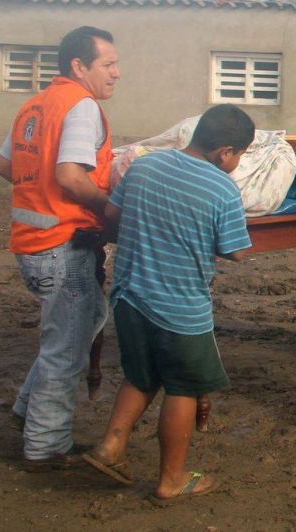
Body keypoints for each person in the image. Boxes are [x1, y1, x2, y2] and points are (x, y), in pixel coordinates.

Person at [82, 105, 254, 502]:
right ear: (224, 152)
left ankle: (110, 447)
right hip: (180, 307)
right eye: (241, 154)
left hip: (129, 295)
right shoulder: (222, 188)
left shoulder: (144, 167)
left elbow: (112, 214)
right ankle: (172, 479)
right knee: (184, 387)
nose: (238, 161)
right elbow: (235, 251)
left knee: (141, 376)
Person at [0, 26, 120, 470]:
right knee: (65, 350)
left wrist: (40, 193)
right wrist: (110, 208)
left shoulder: (35, 103)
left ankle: (28, 413)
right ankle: (45, 447)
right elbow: (70, 175)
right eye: (108, 64)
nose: (116, 73)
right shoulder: (81, 106)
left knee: (79, 326)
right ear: (79, 66)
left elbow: (5, 165)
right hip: (61, 245)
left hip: (32, 242)